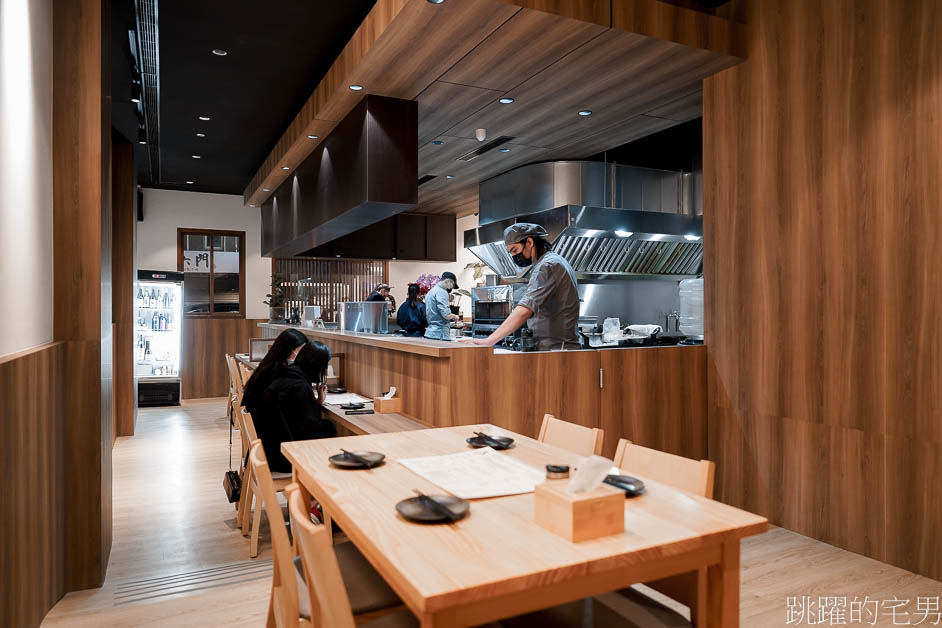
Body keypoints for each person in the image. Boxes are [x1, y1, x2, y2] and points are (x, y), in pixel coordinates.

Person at [459, 223, 579, 351]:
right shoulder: (553, 262)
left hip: (558, 350)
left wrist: (489, 340)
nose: (514, 257)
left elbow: (524, 309)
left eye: (515, 250)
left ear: (529, 242)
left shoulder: (547, 266)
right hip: (554, 349)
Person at [248, 339, 336, 473]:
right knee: (329, 429)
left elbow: (295, 415)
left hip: (269, 449)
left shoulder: (286, 375)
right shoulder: (300, 386)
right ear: (317, 366)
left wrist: (316, 403)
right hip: (283, 457)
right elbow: (309, 429)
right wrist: (316, 406)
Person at [240, 328, 307, 414]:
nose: (303, 354)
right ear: (288, 350)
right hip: (266, 423)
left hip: (259, 421)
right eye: (301, 350)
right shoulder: (279, 373)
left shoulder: (268, 366)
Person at [424, 271, 460, 341]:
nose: (451, 289)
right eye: (452, 286)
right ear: (448, 281)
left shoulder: (431, 291)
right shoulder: (442, 292)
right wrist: (455, 317)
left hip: (430, 333)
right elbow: (446, 315)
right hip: (440, 334)